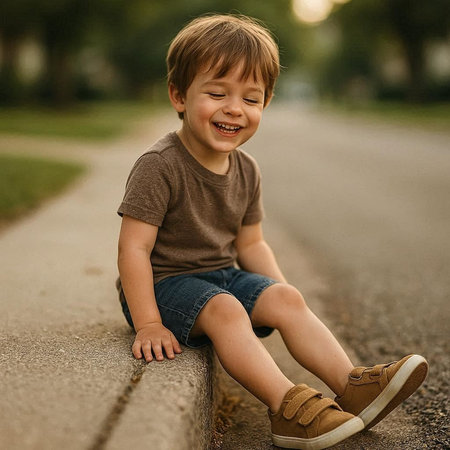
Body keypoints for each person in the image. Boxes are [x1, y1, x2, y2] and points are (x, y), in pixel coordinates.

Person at [116, 14, 428, 450]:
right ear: (179, 95)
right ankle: (287, 409)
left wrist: (275, 296)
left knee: (286, 296)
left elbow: (251, 244)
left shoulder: (246, 169)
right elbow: (133, 248)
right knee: (225, 309)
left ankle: (353, 386)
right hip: (163, 286)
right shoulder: (160, 165)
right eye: (217, 93)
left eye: (251, 98)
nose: (234, 108)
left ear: (264, 105)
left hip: (219, 275)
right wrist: (148, 322)